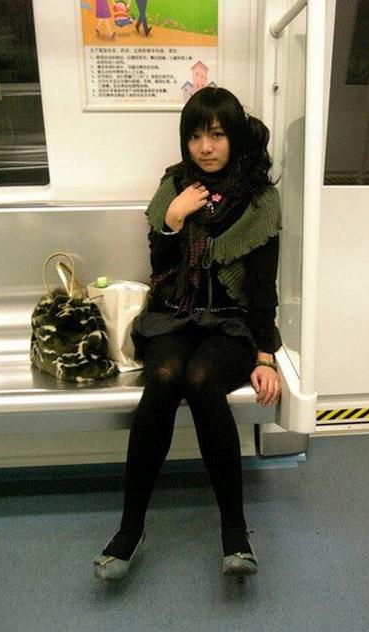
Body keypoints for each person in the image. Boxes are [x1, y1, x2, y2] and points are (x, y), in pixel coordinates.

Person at [94, 87, 282, 581]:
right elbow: (161, 269)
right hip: (174, 315)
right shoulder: (174, 186)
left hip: (231, 323)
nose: (205, 147)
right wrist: (174, 219)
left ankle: (234, 531)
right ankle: (131, 528)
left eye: (216, 135)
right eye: (195, 136)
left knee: (200, 380)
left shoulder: (260, 200)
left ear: (234, 137)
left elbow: (263, 285)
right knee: (164, 376)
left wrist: (265, 356)